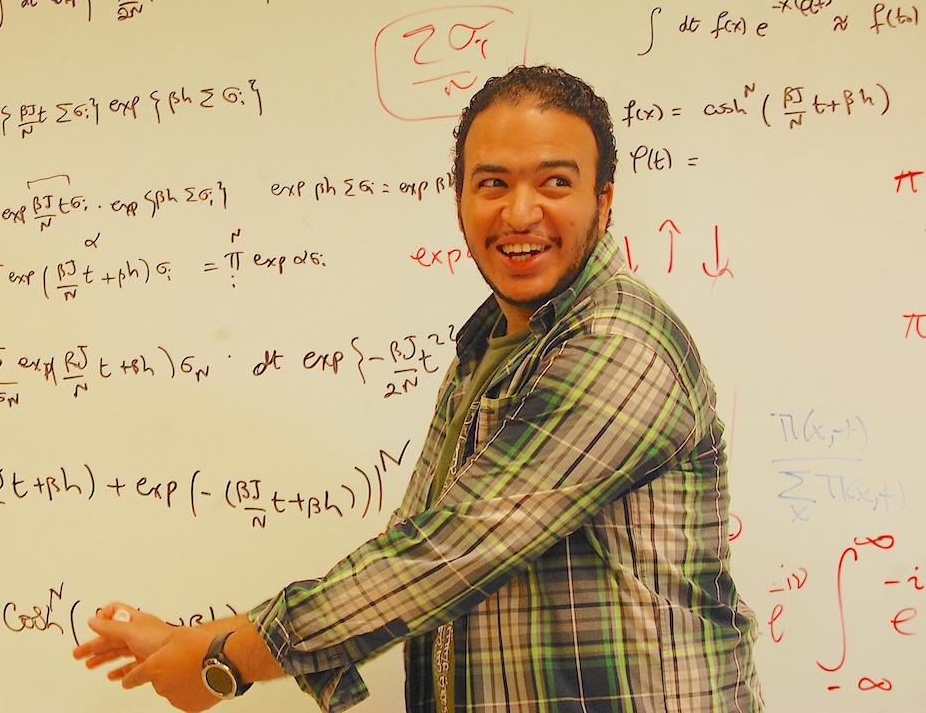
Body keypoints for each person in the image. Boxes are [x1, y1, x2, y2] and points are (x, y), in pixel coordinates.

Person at [72, 65, 764, 713]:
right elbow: (417, 543)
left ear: (603, 201)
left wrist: (224, 661)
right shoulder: (492, 344)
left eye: (555, 183)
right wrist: (205, 642)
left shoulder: (618, 345)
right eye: (492, 184)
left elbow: (449, 555)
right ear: (460, 198)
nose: (520, 213)